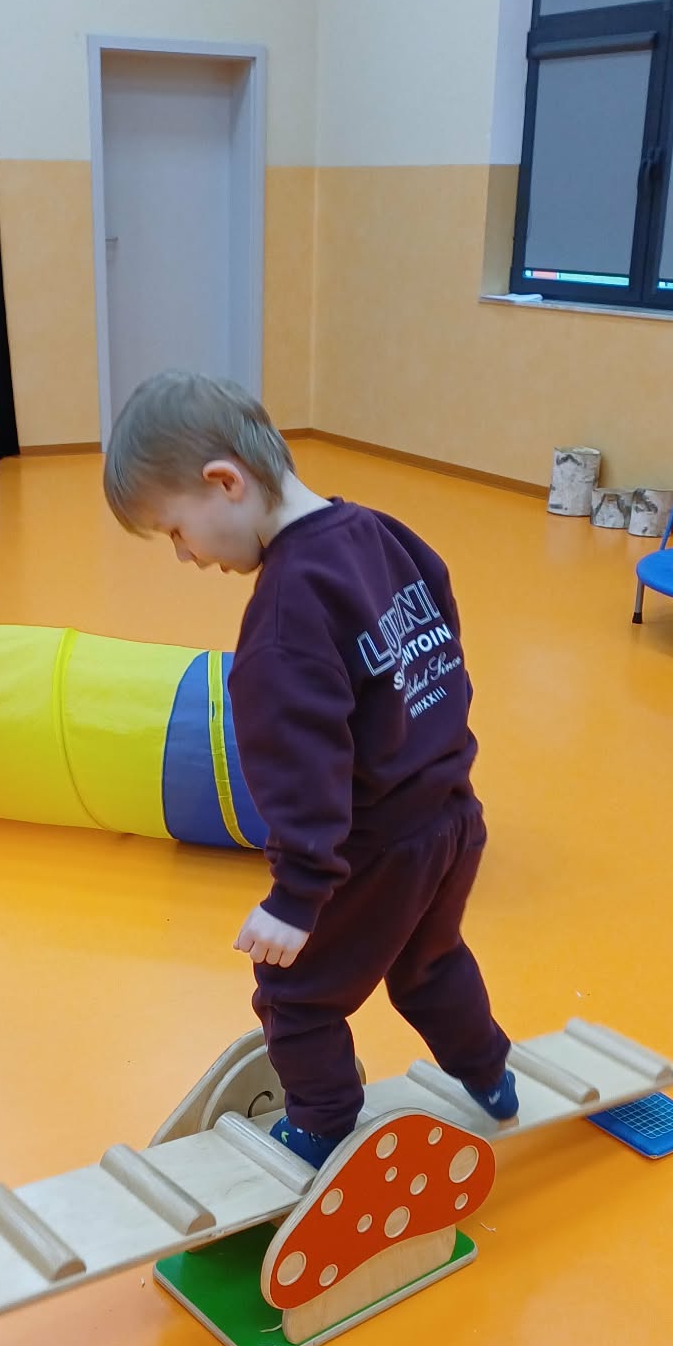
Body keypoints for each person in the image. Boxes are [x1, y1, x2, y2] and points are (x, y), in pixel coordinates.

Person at [103, 371, 516, 1168]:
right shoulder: (383, 533)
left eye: (176, 530)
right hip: (454, 816)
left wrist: (296, 900)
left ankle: (321, 1126)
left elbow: (305, 771)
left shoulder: (286, 616)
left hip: (376, 846)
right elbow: (444, 649)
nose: (185, 555)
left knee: (294, 998)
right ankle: (489, 1072)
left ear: (225, 482)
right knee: (429, 963)